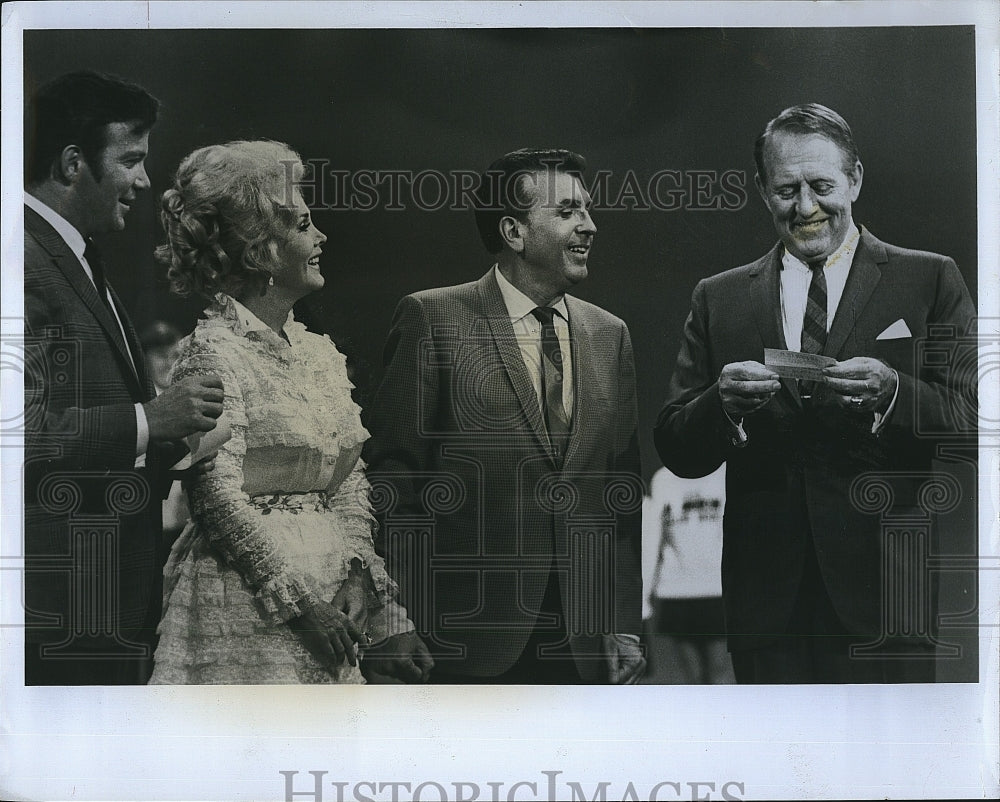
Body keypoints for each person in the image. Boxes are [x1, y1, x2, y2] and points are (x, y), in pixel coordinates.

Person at [653, 104, 976, 683]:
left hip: (888, 603)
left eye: (821, 185)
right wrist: (718, 406)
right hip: (766, 612)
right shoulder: (718, 297)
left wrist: (894, 393)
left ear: (855, 179)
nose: (805, 207)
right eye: (785, 189)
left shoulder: (928, 279)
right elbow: (676, 445)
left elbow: (978, 423)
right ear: (761, 192)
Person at [148, 140, 431, 684]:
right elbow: (217, 501)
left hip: (332, 595)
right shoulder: (211, 352)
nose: (321, 236)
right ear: (261, 250)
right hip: (248, 599)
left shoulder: (321, 354)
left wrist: (355, 575)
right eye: (303, 225)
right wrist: (300, 604)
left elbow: (348, 484)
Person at [365, 148, 646, 684]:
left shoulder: (611, 334)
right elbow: (389, 485)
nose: (590, 225)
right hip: (459, 640)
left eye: (586, 209)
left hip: (585, 648)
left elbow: (621, 494)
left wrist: (623, 624)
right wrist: (391, 616)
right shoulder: (432, 317)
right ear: (514, 232)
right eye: (567, 212)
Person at [23, 71, 224, 685]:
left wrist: (170, 441)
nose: (144, 181)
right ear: (72, 162)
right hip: (58, 604)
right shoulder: (19, 256)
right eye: (131, 160)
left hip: (107, 594)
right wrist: (151, 419)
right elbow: (16, 431)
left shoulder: (74, 254)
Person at [140, 321, 191, 545]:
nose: (170, 364)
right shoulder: (141, 399)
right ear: (145, 357)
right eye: (161, 355)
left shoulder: (186, 395)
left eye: (176, 356)